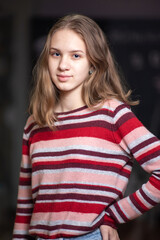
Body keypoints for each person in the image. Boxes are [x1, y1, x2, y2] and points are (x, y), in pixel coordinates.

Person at [12, 14, 160, 240]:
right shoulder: (34, 123)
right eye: (56, 54)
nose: (63, 65)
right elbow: (25, 203)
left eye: (76, 55)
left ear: (93, 63)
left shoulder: (113, 114)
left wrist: (114, 215)